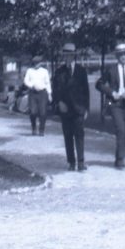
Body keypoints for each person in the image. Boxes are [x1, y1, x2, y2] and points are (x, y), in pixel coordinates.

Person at [95, 41, 125, 169]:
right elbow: (99, 84)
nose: (123, 57)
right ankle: (121, 159)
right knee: (121, 129)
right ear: (117, 56)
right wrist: (111, 92)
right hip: (115, 103)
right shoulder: (111, 70)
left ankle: (118, 158)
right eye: (120, 54)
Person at [52, 42, 90, 172]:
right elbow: (55, 90)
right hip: (65, 109)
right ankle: (71, 162)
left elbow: (86, 91)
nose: (68, 58)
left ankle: (81, 162)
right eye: (66, 55)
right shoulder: (59, 72)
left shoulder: (81, 71)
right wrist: (59, 102)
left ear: (74, 56)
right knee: (68, 135)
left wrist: (86, 108)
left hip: (79, 108)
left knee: (79, 135)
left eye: (71, 55)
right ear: (64, 57)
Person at [23, 55, 52, 136]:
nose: (36, 65)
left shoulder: (44, 71)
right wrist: (31, 85)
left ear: (40, 63)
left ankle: (41, 130)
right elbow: (25, 81)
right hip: (33, 93)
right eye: (35, 63)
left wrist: (49, 94)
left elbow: (47, 83)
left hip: (43, 93)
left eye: (38, 63)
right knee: (33, 112)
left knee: (43, 112)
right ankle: (34, 127)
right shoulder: (30, 71)